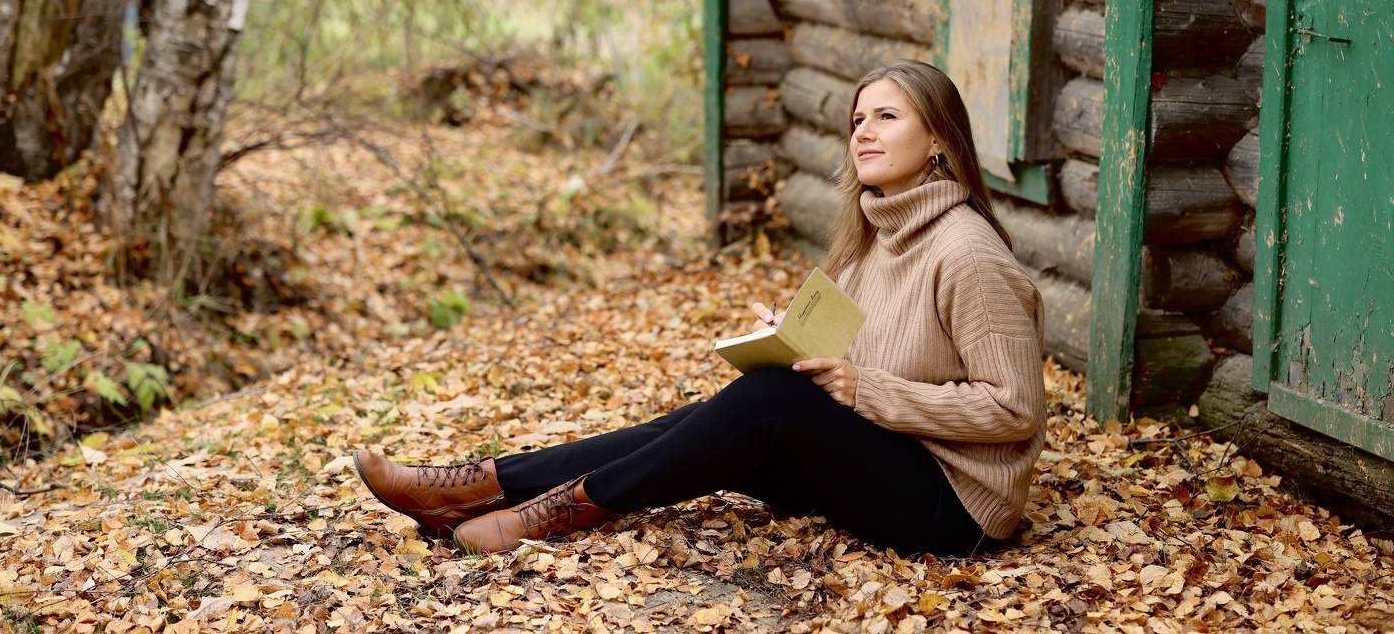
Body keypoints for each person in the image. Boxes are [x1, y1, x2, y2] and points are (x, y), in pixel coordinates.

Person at [354, 60, 1046, 557]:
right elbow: (873, 357)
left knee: (769, 400)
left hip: (953, 507)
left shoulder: (967, 254)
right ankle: (478, 487)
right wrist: (796, 340)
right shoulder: (875, 233)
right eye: (858, 119)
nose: (864, 131)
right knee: (706, 420)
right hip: (878, 459)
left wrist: (864, 389)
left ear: (938, 140)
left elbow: (1015, 409)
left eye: (887, 117)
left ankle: (545, 516)